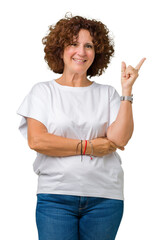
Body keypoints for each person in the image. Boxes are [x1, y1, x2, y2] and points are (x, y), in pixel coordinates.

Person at [17, 13, 146, 240]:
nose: (81, 52)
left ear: (97, 53)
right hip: (56, 197)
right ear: (60, 49)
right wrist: (90, 146)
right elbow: (38, 141)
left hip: (105, 198)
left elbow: (119, 140)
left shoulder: (107, 94)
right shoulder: (43, 92)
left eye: (89, 46)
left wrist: (126, 91)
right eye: (74, 44)